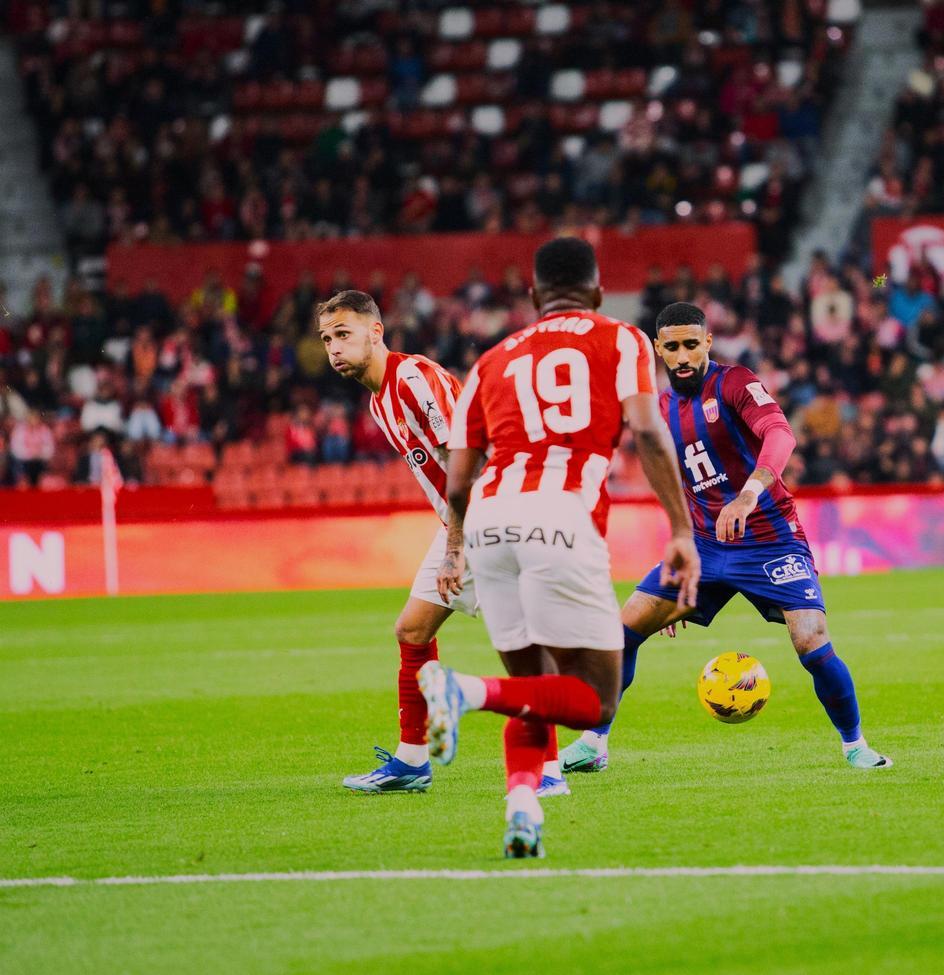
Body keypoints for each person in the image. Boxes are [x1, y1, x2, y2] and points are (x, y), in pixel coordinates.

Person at [421, 238, 701, 858]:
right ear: (598, 292)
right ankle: (466, 691)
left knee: (533, 687)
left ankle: (524, 807)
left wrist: (456, 549)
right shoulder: (620, 338)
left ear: (533, 295)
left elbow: (458, 480)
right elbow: (649, 432)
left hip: (490, 521)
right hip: (560, 515)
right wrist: (681, 531)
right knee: (593, 699)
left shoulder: (488, 364)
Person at [559, 301, 892, 776]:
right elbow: (672, 485)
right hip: (703, 548)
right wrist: (675, 554)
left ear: (707, 343)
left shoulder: (735, 383)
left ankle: (855, 746)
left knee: (811, 640)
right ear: (658, 349)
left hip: (769, 539)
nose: (683, 356)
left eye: (691, 345)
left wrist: (748, 495)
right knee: (622, 632)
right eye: (671, 347)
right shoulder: (657, 409)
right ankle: (594, 744)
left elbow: (779, 435)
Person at [316, 290, 568, 798]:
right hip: (462, 520)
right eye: (326, 339)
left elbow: (468, 456)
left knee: (519, 647)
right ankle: (412, 762)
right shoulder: (378, 398)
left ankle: (549, 771)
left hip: (492, 516)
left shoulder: (411, 380)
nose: (334, 348)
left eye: (344, 334)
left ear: (376, 332)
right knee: (412, 630)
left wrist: (457, 547)